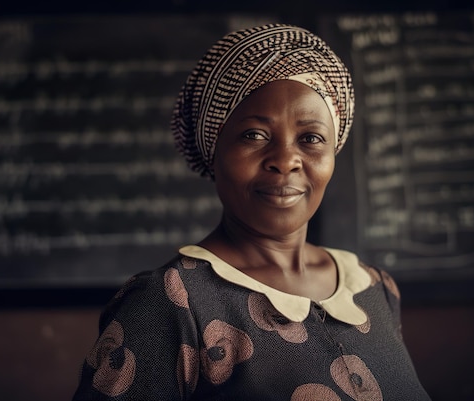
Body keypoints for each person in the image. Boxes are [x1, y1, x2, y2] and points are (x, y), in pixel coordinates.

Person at [72, 24, 430, 401]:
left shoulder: (373, 289)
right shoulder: (171, 303)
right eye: (254, 135)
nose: (286, 160)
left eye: (310, 138)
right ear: (215, 148)